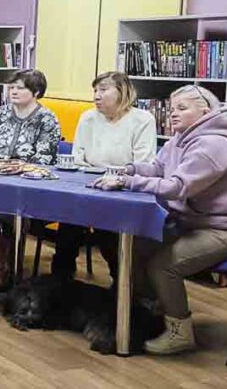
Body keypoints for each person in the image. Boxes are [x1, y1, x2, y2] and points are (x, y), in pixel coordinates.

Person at [93, 85, 227, 355]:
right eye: (171, 108)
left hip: (221, 228)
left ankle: (180, 332)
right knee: (137, 249)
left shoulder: (214, 144)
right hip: (191, 222)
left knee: (163, 265)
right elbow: (158, 167)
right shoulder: (182, 137)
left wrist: (127, 181)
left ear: (205, 110)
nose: (172, 114)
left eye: (182, 108)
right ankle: (151, 314)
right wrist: (128, 168)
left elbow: (178, 186)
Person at [50, 71, 156, 281]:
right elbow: (78, 157)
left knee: (108, 228)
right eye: (95, 90)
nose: (96, 96)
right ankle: (60, 279)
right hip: (86, 183)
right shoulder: (88, 117)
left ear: (123, 92)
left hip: (123, 187)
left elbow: (144, 163)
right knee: (69, 220)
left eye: (103, 90)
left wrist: (116, 176)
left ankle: (123, 285)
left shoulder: (143, 119)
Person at [0, 69, 61, 290]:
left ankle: (0, 264)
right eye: (11, 87)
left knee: (11, 209)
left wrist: (16, 166)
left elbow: (45, 159)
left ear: (36, 92)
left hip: (29, 184)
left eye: (19, 87)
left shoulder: (47, 119)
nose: (13, 91)